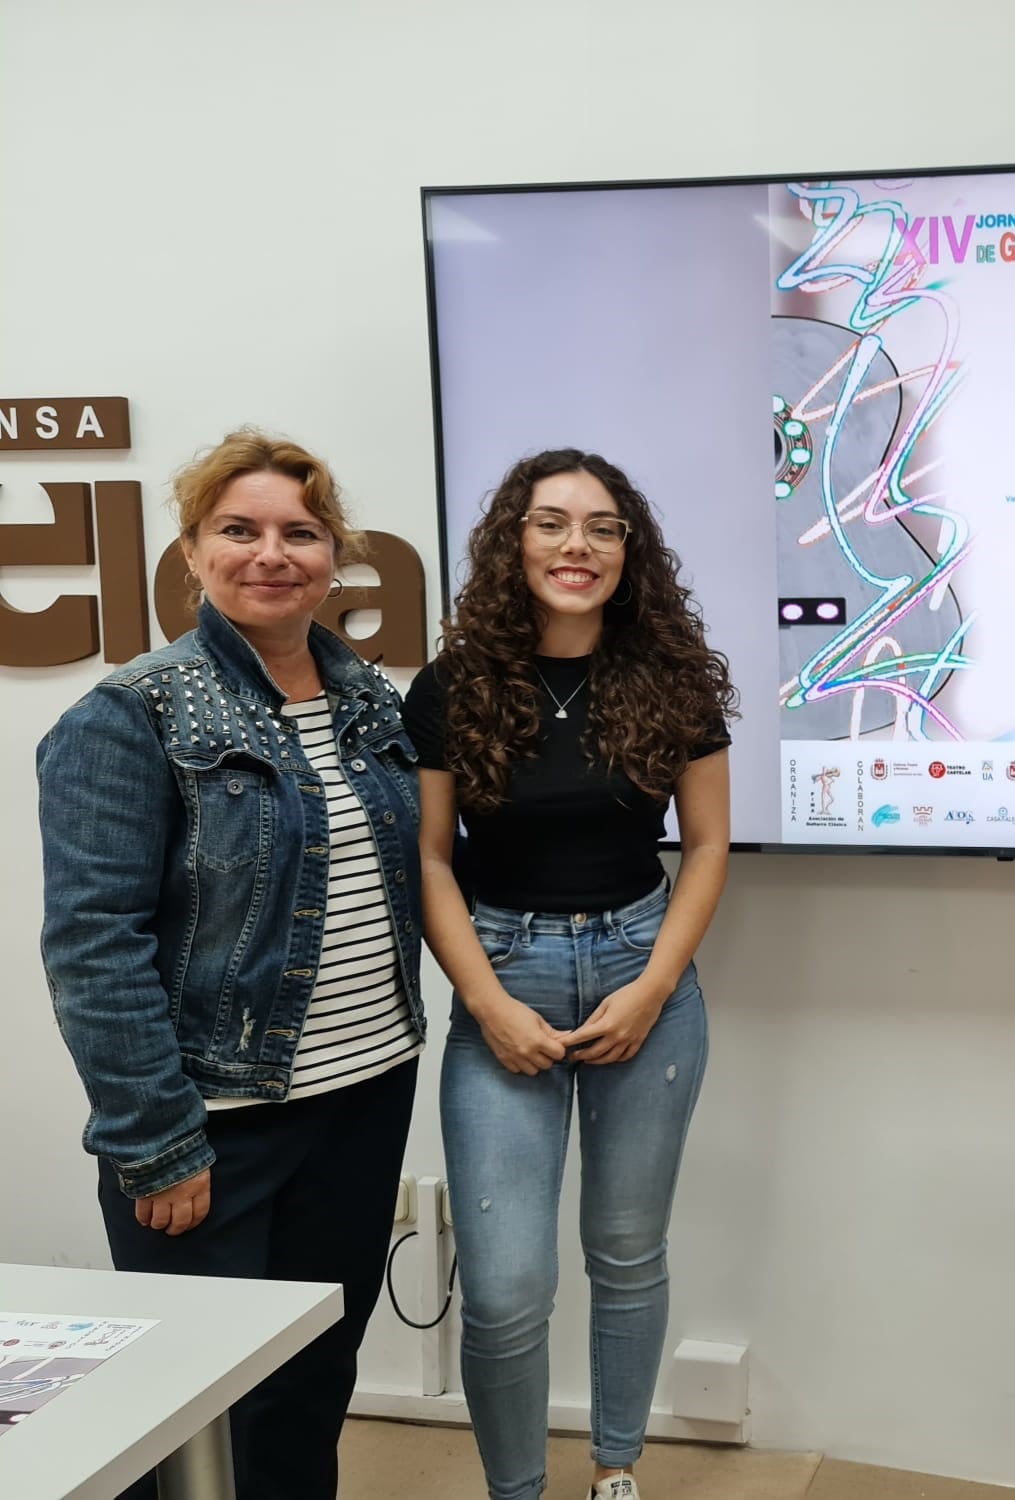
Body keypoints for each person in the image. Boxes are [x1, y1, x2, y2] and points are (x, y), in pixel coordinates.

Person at [37, 429, 423, 1500]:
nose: (271, 553)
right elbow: (91, 945)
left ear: (335, 552)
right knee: (196, 1410)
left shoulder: (368, 705)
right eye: (238, 530)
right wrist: (155, 1143)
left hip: (364, 1094)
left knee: (308, 1383)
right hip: (216, 1122)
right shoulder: (132, 713)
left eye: (299, 532)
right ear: (194, 549)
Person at [406, 448, 735, 1500]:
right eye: (550, 524)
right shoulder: (453, 685)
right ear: (515, 541)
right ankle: (517, 1491)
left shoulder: (673, 679)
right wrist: (488, 1004)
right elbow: (428, 859)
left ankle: (614, 1473)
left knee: (626, 1252)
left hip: (646, 974)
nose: (575, 547)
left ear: (628, 551)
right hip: (502, 976)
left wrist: (651, 988)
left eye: (600, 527)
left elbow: (709, 848)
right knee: (504, 1290)